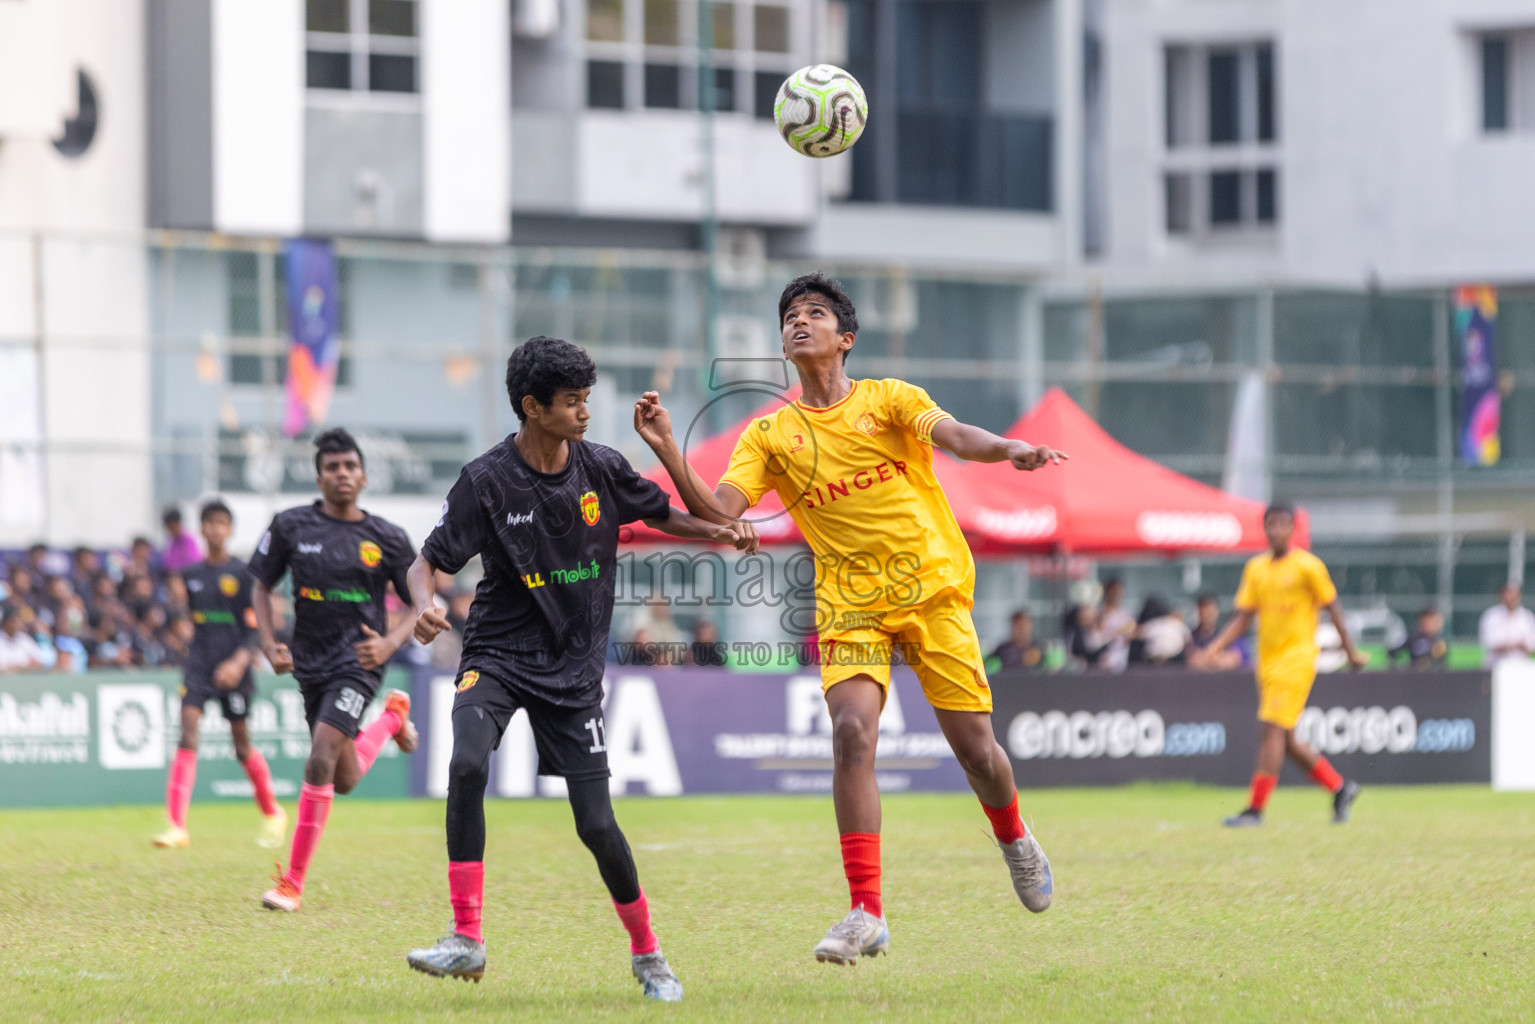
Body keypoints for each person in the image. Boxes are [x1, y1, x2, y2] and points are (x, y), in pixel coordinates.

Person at [635, 272, 1066, 965]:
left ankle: (1014, 837)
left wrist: (1008, 449)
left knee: (976, 755)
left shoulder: (888, 400)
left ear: (846, 338)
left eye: (813, 313)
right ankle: (866, 909)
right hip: (848, 602)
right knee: (850, 733)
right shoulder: (770, 433)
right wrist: (665, 448)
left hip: (932, 591)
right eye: (789, 316)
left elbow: (954, 435)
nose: (798, 322)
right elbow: (719, 512)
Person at [402, 336, 745, 1000]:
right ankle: (465, 940)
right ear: (532, 407)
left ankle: (648, 955)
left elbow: (676, 516)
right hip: (498, 654)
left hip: (572, 671)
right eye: (572, 402)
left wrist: (722, 530)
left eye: (587, 399)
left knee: (595, 825)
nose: (585, 412)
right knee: (468, 762)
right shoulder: (486, 480)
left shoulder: (601, 468)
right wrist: (422, 605)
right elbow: (428, 560)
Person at [250, 429, 421, 913]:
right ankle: (391, 719)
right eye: (332, 467)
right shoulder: (290, 526)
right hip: (310, 662)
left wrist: (389, 642)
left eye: (349, 466)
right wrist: (268, 642)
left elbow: (418, 601)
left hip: (359, 661)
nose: (342, 474)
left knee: (319, 759)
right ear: (319, 476)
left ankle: (292, 884)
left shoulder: (386, 537)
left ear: (363, 476)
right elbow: (262, 586)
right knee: (341, 778)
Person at [1199, 502, 1368, 827]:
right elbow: (1244, 616)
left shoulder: (1308, 566)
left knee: (1270, 731)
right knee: (1286, 740)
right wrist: (1216, 647)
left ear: (1293, 529)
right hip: (1268, 662)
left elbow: (1334, 609)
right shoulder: (1256, 569)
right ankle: (1340, 788)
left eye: (1282, 524)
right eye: (1270, 524)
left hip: (1297, 659)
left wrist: (1351, 652)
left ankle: (1255, 810)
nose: (1275, 530)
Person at [153, 500, 286, 850]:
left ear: (229, 529)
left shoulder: (244, 574)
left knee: (241, 746)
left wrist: (239, 662)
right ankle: (176, 826)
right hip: (199, 665)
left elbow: (257, 628)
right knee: (188, 731)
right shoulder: (191, 575)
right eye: (209, 523)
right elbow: (188, 620)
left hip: (234, 668)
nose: (215, 529)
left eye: (221, 523)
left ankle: (272, 813)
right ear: (201, 529)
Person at [1478, 582, 1535, 669]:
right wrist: (1517, 645)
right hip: (1496, 666)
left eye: (1514, 595)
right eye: (1508, 594)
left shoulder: (1527, 617)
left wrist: (1509, 645)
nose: (1511, 599)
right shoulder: (1491, 616)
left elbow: (1530, 646)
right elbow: (1492, 644)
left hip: (1521, 667)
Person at [1187, 594, 1245, 671]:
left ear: (1216, 611)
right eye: (1204, 611)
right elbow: (1192, 660)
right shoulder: (1190, 637)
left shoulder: (1228, 634)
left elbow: (1234, 658)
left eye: (1210, 611)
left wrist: (1208, 658)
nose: (1207, 615)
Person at [1129, 595, 1189, 667]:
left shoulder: (1158, 624)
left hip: (1172, 661)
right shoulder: (1168, 623)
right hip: (1156, 662)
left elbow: (1135, 634)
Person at [1096, 579, 1135, 673]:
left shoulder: (1125, 613)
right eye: (1114, 592)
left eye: (1119, 592)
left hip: (1122, 654)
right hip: (1105, 654)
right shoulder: (1100, 612)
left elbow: (1132, 631)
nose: (1116, 595)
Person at [0, 604, 44, 672]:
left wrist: (18, 669)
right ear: (5, 621)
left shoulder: (25, 639)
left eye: (19, 619)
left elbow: (37, 664)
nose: (19, 623)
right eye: (14, 620)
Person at [160, 506, 204, 575]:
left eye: (172, 527)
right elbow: (168, 565)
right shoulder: (170, 543)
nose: (171, 531)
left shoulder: (190, 540)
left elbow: (195, 563)